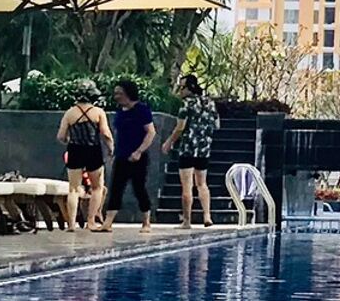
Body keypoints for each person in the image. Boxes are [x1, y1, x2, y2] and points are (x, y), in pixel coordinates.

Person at [103, 79, 160, 229]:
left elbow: (151, 132)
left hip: (138, 157)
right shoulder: (120, 112)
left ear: (128, 94)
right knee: (116, 188)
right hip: (122, 155)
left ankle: (146, 221)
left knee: (139, 188)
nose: (116, 96)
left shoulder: (142, 110)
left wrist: (139, 151)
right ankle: (108, 222)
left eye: (119, 93)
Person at [58, 83, 109, 230]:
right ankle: (91, 221)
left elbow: (61, 136)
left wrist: (69, 140)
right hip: (93, 150)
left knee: (73, 189)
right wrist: (111, 147)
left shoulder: (70, 113)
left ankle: (71, 224)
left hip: (75, 150)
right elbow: (105, 133)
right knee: (97, 187)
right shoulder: (98, 112)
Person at [170, 74, 220, 226]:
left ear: (189, 88)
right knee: (202, 183)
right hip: (204, 149)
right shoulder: (209, 103)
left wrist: (169, 142)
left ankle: (186, 221)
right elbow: (217, 124)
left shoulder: (187, 104)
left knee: (186, 186)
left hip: (187, 148)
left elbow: (180, 127)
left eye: (182, 87)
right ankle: (207, 216)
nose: (180, 90)